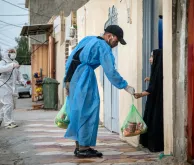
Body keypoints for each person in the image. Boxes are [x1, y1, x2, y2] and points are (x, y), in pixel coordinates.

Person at [63, 25, 135, 158]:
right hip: (84, 77)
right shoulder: (103, 46)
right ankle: (84, 148)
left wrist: (66, 81)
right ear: (109, 36)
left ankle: (79, 146)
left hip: (73, 77)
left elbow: (71, 58)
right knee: (88, 111)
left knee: (78, 111)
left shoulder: (88, 39)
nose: (116, 45)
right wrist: (125, 86)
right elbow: (110, 71)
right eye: (116, 41)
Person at [134, 49, 164, 152]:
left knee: (154, 121)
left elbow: (152, 88)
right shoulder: (158, 70)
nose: (150, 59)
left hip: (156, 102)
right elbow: (157, 81)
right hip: (155, 101)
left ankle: (154, 145)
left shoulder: (158, 70)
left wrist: (140, 94)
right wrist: (150, 79)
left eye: (152, 57)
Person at [0, 49, 26, 129]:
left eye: (14, 52)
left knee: (11, 105)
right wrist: (11, 65)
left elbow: (18, 73)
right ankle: (8, 123)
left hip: (12, 87)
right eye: (11, 52)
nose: (13, 54)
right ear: (7, 54)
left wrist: (22, 81)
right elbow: (0, 69)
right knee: (8, 104)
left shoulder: (15, 62)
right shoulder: (3, 61)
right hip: (3, 86)